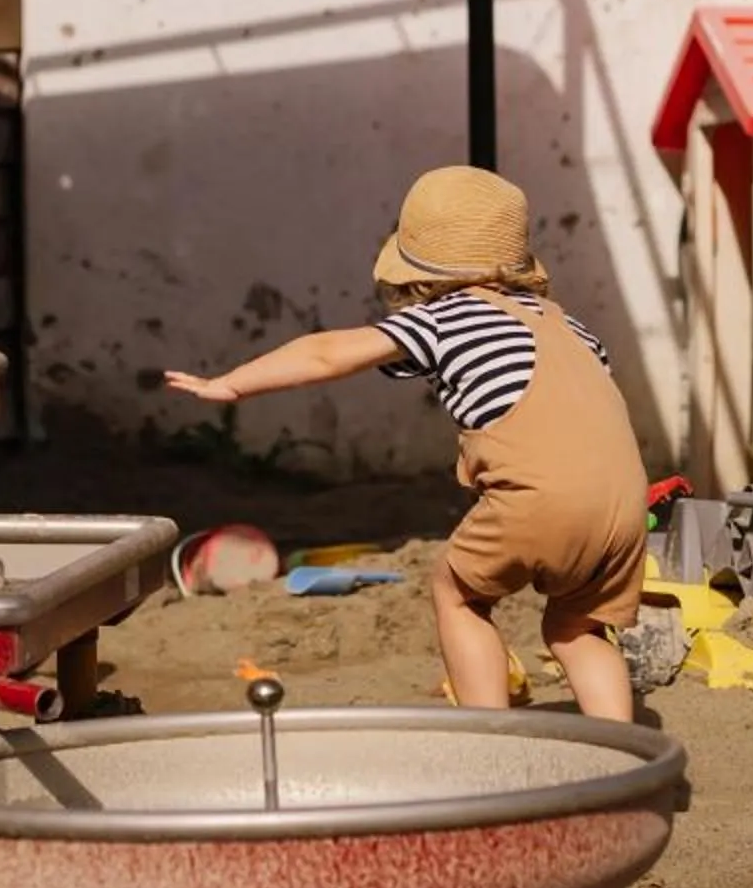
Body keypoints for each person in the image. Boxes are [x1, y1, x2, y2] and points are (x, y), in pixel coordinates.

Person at [165, 166, 648, 721]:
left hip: (542, 497)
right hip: (625, 501)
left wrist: (231, 383)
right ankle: (624, 750)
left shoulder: (442, 318)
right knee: (576, 624)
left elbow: (328, 353)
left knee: (457, 593)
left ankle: (493, 737)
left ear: (416, 270)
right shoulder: (569, 325)